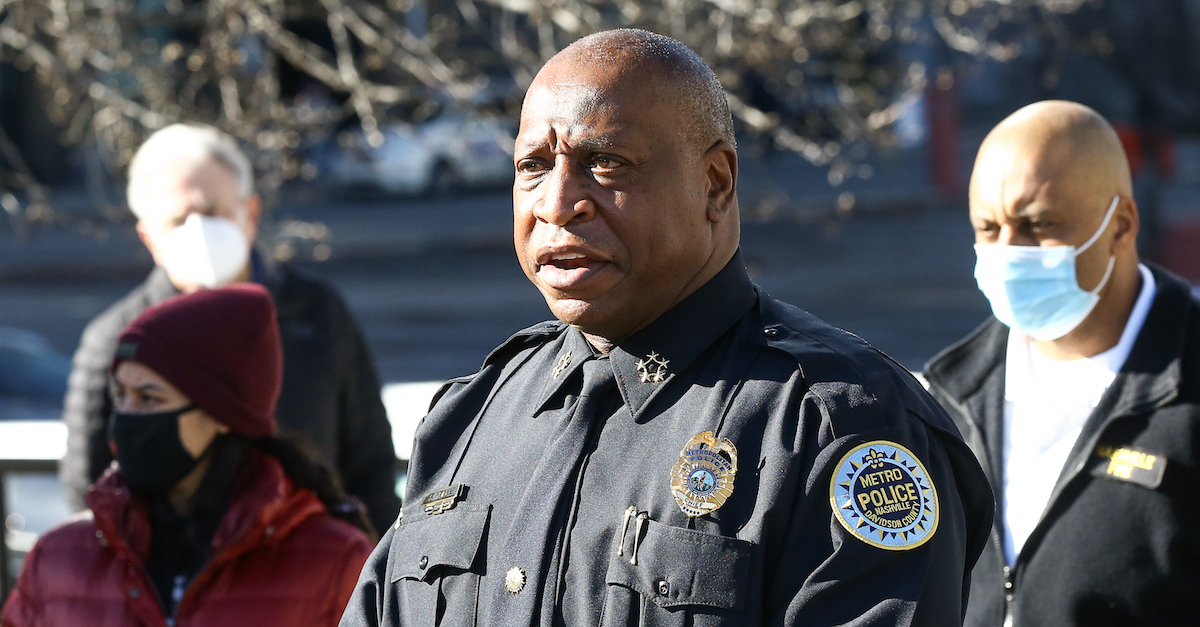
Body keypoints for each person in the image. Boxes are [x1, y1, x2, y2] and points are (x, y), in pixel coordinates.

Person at [340, 29, 993, 627]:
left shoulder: (836, 425)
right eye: (533, 165)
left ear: (715, 182)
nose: (558, 202)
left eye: (606, 162)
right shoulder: (471, 418)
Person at [923, 101, 1200, 626]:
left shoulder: (1186, 390)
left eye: (1037, 226)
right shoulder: (947, 399)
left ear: (1120, 225)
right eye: (988, 228)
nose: (1009, 252)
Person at [62, 123, 401, 533]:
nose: (199, 232)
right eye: (179, 220)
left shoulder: (316, 313)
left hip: (316, 576)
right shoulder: (116, 341)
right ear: (149, 236)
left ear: (250, 214)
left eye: (212, 213)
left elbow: (371, 464)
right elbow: (89, 488)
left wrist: (370, 572)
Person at [2, 285, 373, 627]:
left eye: (150, 398)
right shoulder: (60, 556)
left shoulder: (334, 562)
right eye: (121, 396)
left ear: (222, 415)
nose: (127, 417)